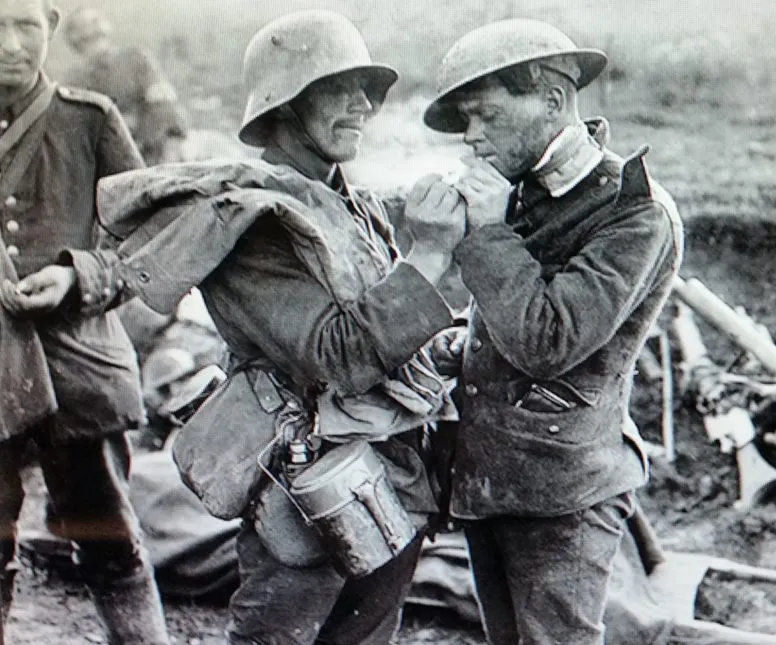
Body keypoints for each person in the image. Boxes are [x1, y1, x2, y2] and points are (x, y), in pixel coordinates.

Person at [5, 10, 469, 645]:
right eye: (340, 88)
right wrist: (430, 257)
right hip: (309, 493)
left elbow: (383, 332)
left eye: (366, 89)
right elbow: (338, 356)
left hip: (392, 483)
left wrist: (439, 346)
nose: (363, 104)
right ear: (285, 102)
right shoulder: (253, 221)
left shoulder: (352, 205)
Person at [421, 19, 684, 645]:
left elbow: (548, 341)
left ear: (553, 99)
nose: (472, 136)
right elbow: (510, 314)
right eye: (465, 120)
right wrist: (460, 345)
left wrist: (487, 234)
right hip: (492, 478)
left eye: (486, 114)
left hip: (564, 494)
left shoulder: (633, 212)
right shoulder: (520, 190)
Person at [0, 0, 171, 643]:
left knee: (108, 535)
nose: (10, 44)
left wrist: (80, 278)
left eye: (25, 25)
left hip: (78, 367)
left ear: (50, 27)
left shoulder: (88, 120)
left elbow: (154, 241)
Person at [61, 6, 186, 164]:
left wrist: (167, 153)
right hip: (107, 160)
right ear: (76, 41)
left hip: (153, 151)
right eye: (85, 33)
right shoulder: (73, 82)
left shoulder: (136, 60)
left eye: (94, 24)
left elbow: (164, 108)